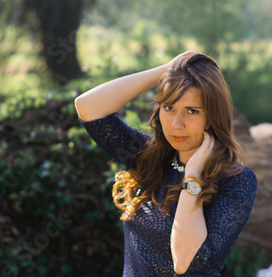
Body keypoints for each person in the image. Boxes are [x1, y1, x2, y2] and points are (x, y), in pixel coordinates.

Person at [74, 50, 257, 276]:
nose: (176, 124)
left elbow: (185, 262)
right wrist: (165, 71)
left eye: (192, 111)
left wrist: (193, 176)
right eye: (169, 108)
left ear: (212, 116)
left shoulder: (236, 180)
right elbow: (88, 106)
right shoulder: (149, 158)